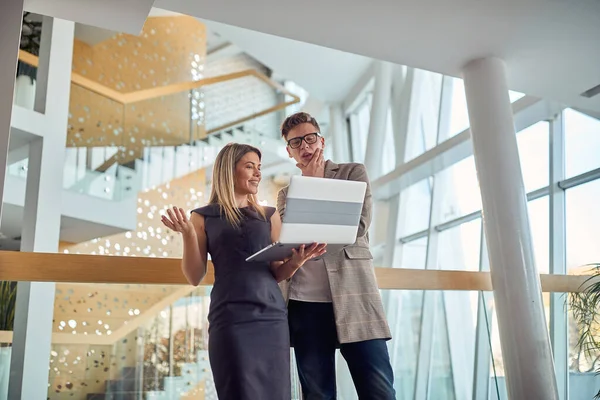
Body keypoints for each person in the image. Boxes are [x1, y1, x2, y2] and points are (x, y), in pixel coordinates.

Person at [161, 142, 326, 400]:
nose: (258, 173)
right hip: (230, 320)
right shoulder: (202, 217)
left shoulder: (269, 215)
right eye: (250, 167)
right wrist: (187, 235)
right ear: (228, 171)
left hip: (271, 320)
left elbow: (276, 273)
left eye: (259, 167)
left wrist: (297, 261)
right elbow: (194, 277)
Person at [277, 112, 395, 400]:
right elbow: (295, 243)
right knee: (317, 395)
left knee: (379, 391)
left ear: (322, 140)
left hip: (356, 295)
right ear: (289, 152)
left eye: (310, 138)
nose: (305, 146)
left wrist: (316, 185)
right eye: (296, 142)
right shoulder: (284, 194)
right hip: (304, 306)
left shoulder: (353, 173)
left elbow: (356, 228)